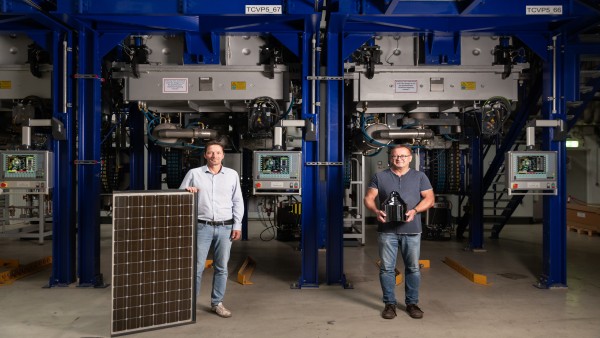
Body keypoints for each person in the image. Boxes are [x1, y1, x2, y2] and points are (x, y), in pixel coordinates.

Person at [364, 145, 435, 320]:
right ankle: (390, 304)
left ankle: (412, 303)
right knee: (387, 269)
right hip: (387, 231)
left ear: (410, 158)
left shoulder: (420, 177)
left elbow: (430, 199)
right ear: (390, 158)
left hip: (412, 231)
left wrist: (415, 211)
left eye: (403, 156)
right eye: (396, 156)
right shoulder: (380, 177)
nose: (399, 159)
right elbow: (369, 198)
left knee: (412, 268)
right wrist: (376, 211)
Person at [179, 140, 244, 318]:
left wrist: (237, 225)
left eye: (217, 152)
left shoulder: (232, 175)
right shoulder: (194, 173)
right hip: (202, 227)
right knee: (197, 267)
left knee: (222, 267)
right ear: (205, 155)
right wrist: (187, 191)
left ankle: (217, 303)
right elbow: (179, 195)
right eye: (210, 152)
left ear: (223, 155)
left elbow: (238, 201)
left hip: (225, 228)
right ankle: (190, 304)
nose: (214, 156)